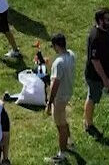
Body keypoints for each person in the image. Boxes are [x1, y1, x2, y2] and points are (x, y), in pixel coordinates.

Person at [43, 32, 77, 162]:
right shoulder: (71, 55)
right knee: (63, 119)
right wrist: (50, 66)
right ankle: (69, 142)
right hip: (67, 93)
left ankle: (61, 154)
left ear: (57, 45)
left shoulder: (59, 62)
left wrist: (49, 103)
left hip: (59, 97)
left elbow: (55, 84)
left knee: (60, 125)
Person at [83, 7, 109, 135]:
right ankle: (88, 124)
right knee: (92, 98)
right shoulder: (95, 37)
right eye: (108, 19)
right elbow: (95, 61)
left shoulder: (106, 32)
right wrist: (105, 79)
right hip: (96, 77)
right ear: (100, 21)